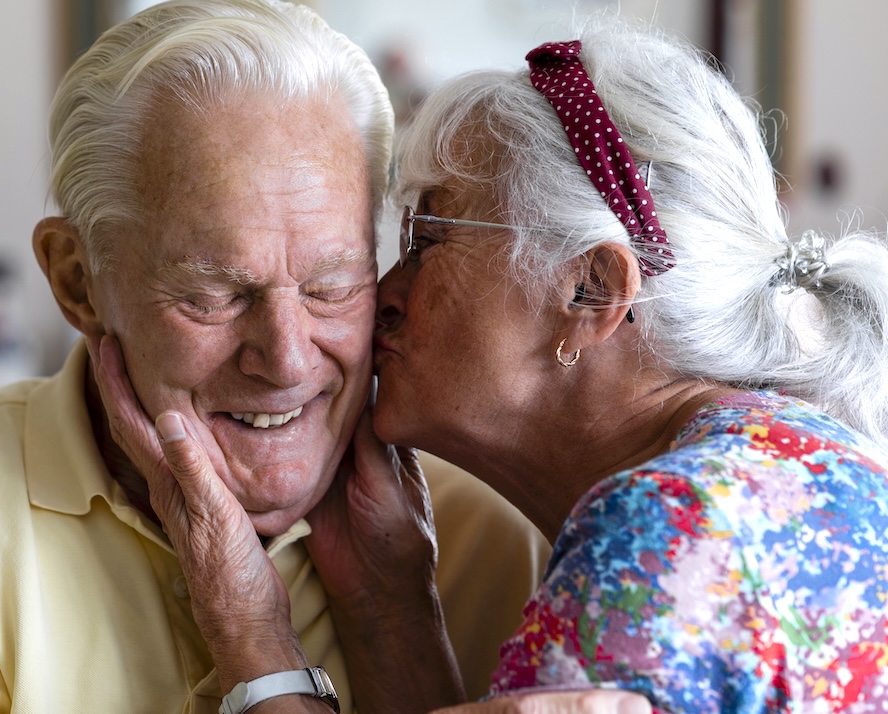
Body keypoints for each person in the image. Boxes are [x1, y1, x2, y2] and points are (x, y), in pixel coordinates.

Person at [0, 1, 554, 712]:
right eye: (213, 294)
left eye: (331, 285)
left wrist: (393, 622)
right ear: (77, 282)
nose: (284, 359)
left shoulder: (489, 534)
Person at [101, 18, 888, 714]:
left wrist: (251, 632)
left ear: (592, 289)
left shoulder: (665, 530)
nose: (386, 294)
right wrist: (388, 601)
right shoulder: (790, 463)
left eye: (428, 238)